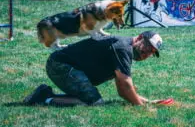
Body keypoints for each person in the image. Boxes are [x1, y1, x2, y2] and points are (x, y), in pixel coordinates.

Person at [23, 31, 162, 106]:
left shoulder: (125, 49)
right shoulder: (123, 48)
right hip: (61, 65)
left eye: (151, 52)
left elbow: (122, 89)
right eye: (147, 47)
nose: (147, 53)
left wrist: (147, 101)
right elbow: (126, 84)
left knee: (88, 98)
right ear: (139, 37)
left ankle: (44, 93)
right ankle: (44, 98)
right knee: (94, 101)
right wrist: (140, 106)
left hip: (62, 64)